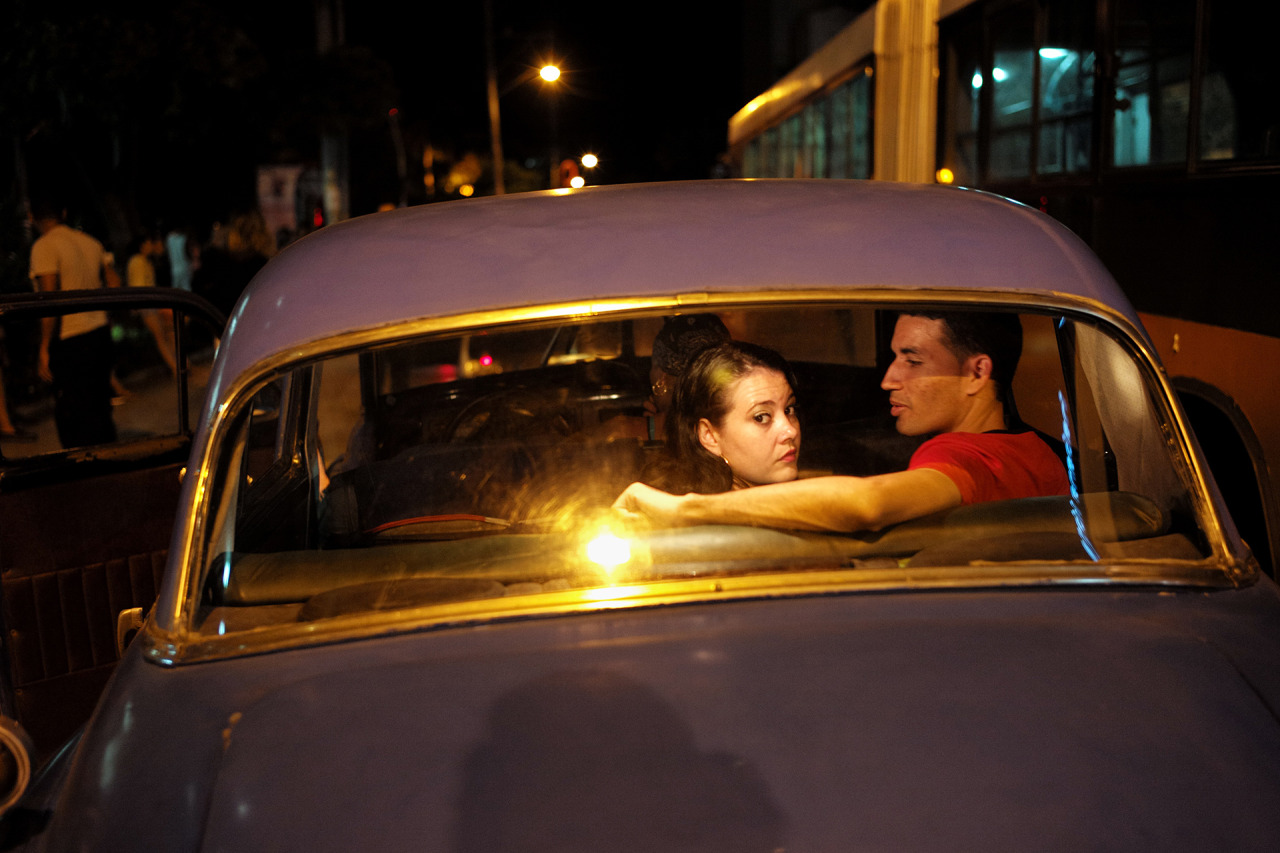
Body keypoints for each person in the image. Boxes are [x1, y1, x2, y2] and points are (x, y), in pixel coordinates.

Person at [614, 310, 1068, 532]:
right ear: (708, 435)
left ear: (977, 373)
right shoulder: (1044, 451)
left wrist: (686, 508)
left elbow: (868, 503)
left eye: (912, 361)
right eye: (761, 417)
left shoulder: (960, 457)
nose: (888, 378)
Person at [642, 339, 800, 494]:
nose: (790, 431)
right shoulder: (702, 516)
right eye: (761, 417)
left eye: (788, 409)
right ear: (710, 436)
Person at [28, 196, 120, 447]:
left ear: (32, 217)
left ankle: (83, 476)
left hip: (71, 339)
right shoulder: (90, 242)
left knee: (74, 417)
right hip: (99, 332)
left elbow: (50, 299)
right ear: (64, 213)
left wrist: (44, 346)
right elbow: (115, 285)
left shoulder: (44, 246)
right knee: (101, 408)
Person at [645, 313, 730, 439]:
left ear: (661, 378)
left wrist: (651, 425)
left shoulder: (622, 431)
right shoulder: (739, 431)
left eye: (653, 366)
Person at [125, 230, 178, 375]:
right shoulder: (137, 261)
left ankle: (178, 365)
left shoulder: (144, 260)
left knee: (166, 333)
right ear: (142, 245)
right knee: (161, 335)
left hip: (152, 303)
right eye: (148, 243)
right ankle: (175, 367)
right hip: (147, 304)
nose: (151, 245)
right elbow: (138, 285)